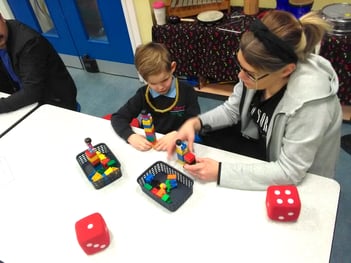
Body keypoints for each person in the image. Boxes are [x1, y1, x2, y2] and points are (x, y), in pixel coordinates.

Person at [167, 10, 342, 190]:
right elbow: (232, 110)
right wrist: (196, 123)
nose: (240, 76)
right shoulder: (258, 72)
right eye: (240, 66)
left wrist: (221, 172)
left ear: (286, 71)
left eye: (250, 74)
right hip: (265, 148)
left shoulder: (311, 105)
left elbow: (289, 171)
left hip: (302, 179)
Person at [111, 42, 200, 151]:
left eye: (165, 80)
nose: (160, 87)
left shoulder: (187, 91)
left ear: (172, 67)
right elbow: (118, 117)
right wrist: (130, 136)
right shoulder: (143, 94)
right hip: (152, 144)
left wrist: (178, 134)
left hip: (179, 140)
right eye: (153, 83)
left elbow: (195, 121)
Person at [0, 13, 78, 113]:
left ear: (2, 18)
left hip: (54, 102)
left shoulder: (29, 42)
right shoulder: (4, 36)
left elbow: (32, 92)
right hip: (23, 98)